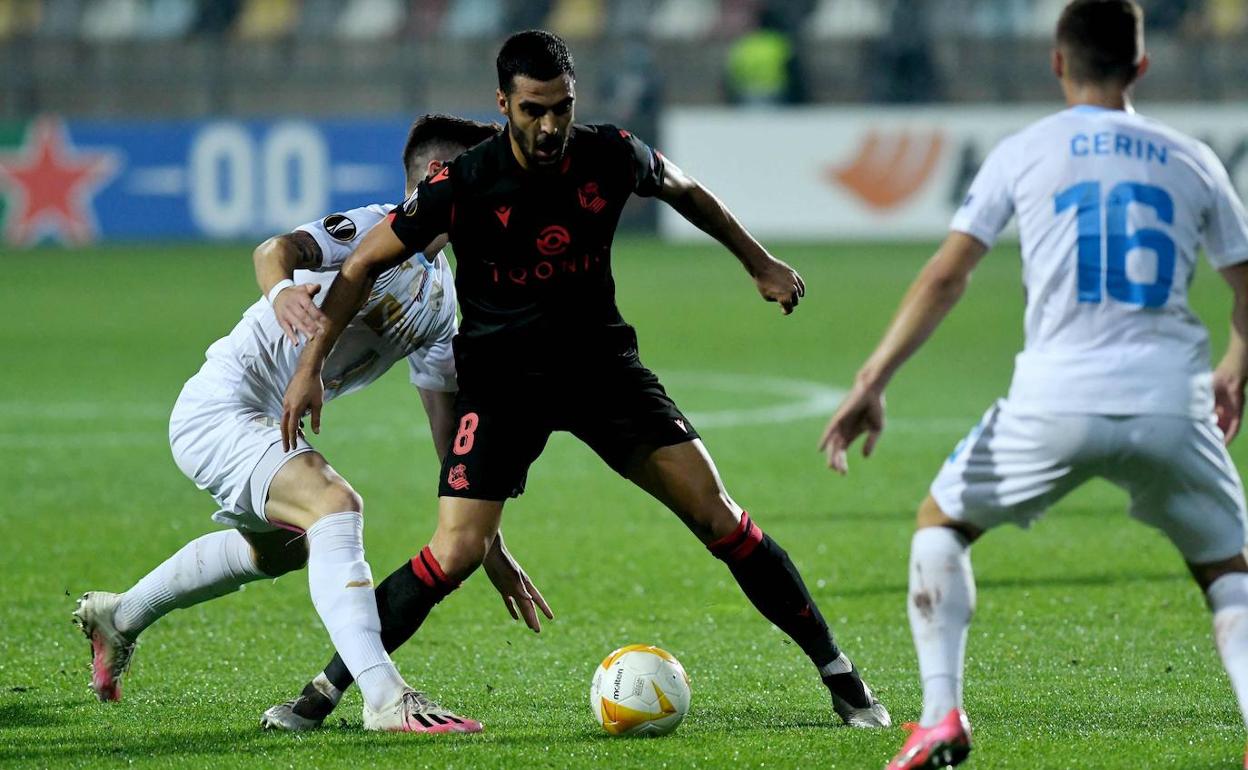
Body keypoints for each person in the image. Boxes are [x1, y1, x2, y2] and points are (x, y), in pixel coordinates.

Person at [276, 29, 890, 732]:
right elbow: (358, 267)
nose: (548, 126)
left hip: (603, 372)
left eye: (561, 108)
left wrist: (758, 261)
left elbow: (685, 190)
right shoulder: (465, 183)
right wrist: (309, 367)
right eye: (533, 109)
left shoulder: (609, 153)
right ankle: (323, 691)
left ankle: (842, 679)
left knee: (719, 516)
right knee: (456, 552)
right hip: (504, 386)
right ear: (503, 102)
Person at [818, 2, 1248, 768]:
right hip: (1171, 399)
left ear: (1057, 62)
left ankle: (941, 716)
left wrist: (871, 378)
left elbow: (948, 275)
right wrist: (1234, 370)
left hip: (1054, 399)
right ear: (1141, 68)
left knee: (939, 525)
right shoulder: (1192, 158)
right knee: (1228, 572)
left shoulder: (1025, 150)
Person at [73, 115, 551, 734]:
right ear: (439, 180)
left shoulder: (441, 297)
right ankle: (385, 697)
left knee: (283, 549)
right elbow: (274, 250)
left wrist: (486, 544)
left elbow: (447, 437)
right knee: (335, 505)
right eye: (486, 176)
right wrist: (280, 295)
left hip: (273, 431)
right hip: (221, 408)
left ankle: (121, 616)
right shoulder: (371, 227)